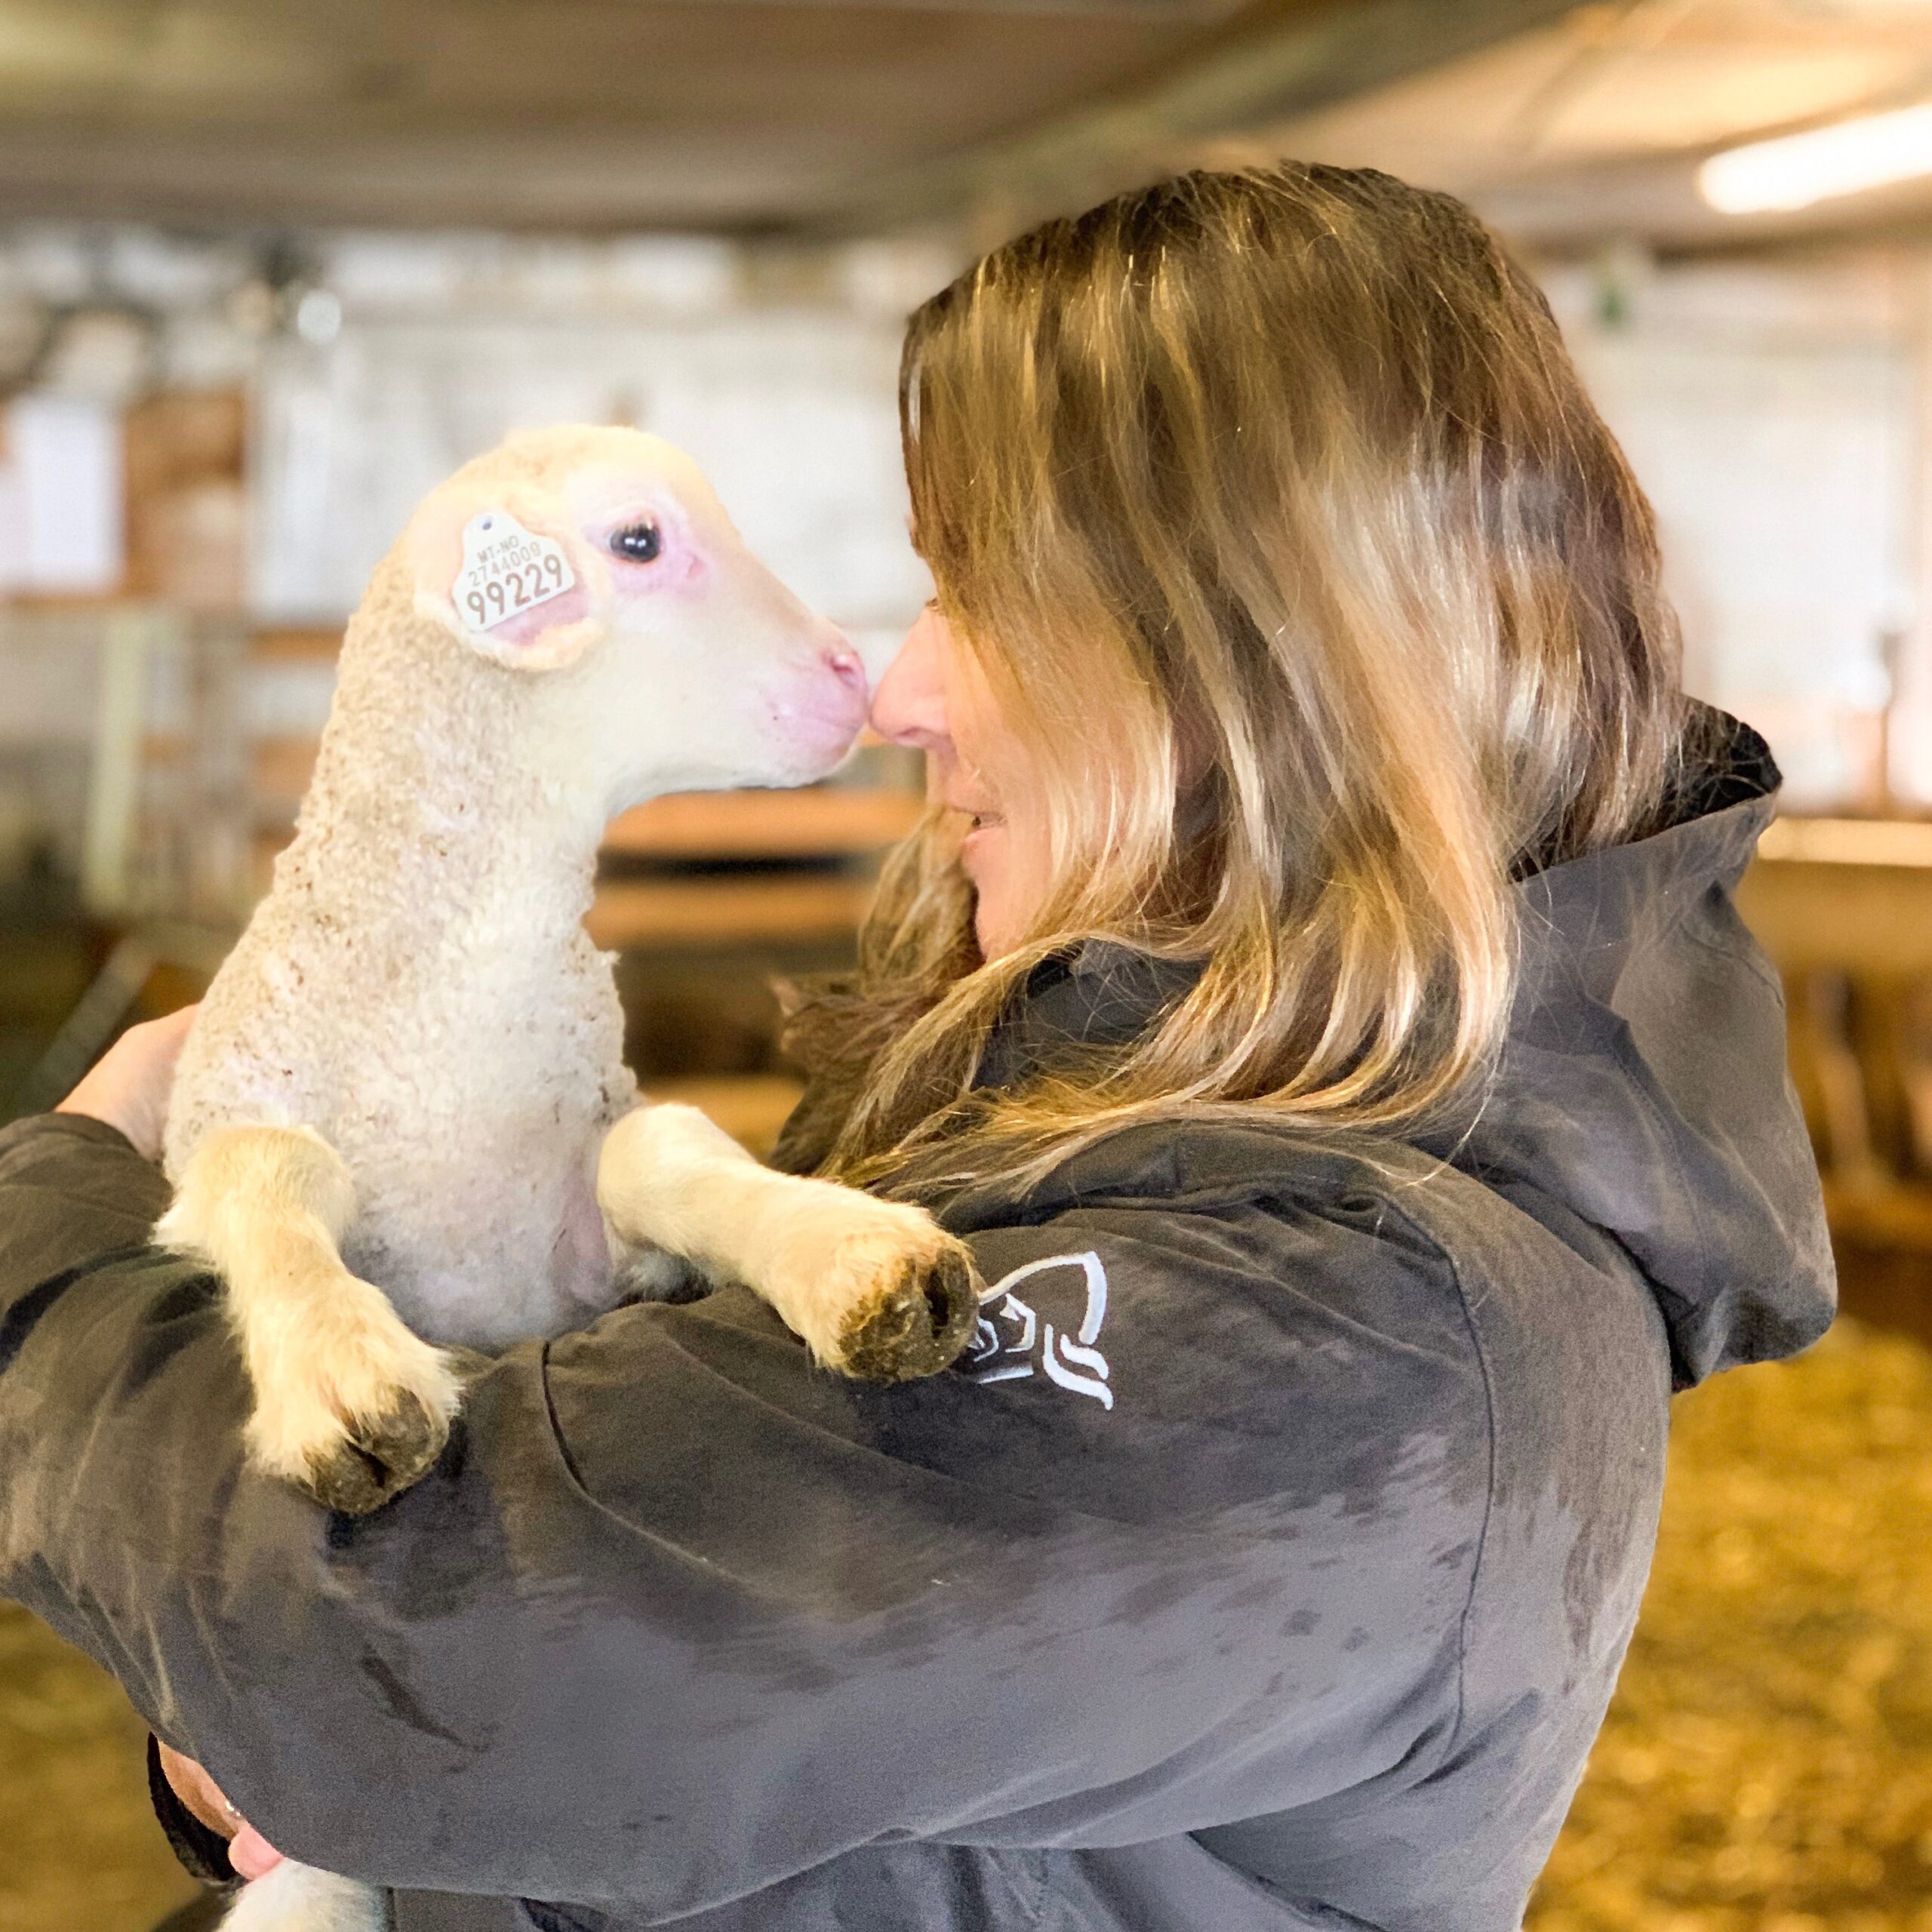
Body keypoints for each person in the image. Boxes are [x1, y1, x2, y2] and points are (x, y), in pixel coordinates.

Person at [1, 165, 1832, 1932]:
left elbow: (428, 1648)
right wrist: (270, 1733)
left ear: (1244, 653)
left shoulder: (1347, 1333)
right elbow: (530, 1612)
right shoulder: (1073, 1091)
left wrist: (50, 1241)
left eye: (978, 592)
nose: (896, 687)